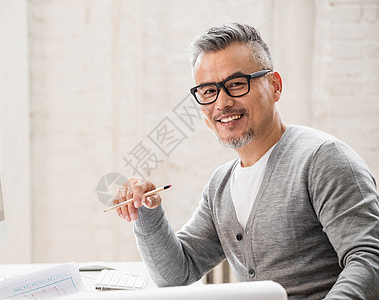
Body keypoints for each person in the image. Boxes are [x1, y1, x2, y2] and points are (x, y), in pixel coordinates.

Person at [112, 23, 379, 299]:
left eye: (236, 84)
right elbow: (176, 273)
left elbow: (369, 261)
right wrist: (146, 209)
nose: (222, 103)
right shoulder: (220, 186)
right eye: (207, 91)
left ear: (274, 86)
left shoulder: (323, 160)